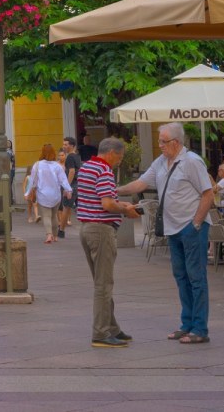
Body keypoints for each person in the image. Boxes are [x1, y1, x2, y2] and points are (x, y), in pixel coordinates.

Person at [118, 123, 215, 345]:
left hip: (191, 228)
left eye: (163, 141)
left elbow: (208, 195)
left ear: (176, 142)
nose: (159, 145)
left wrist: (196, 224)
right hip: (173, 229)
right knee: (181, 277)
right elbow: (141, 183)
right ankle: (187, 324)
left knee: (196, 278)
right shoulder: (161, 161)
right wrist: (113, 189)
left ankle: (200, 328)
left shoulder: (191, 161)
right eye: (159, 141)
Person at [77, 137, 140, 348]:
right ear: (111, 152)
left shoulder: (86, 167)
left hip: (87, 227)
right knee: (104, 284)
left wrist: (117, 203)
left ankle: (112, 327)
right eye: (119, 157)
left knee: (101, 281)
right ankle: (101, 333)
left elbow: (98, 199)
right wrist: (126, 209)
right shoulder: (104, 171)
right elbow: (106, 204)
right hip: (101, 230)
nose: (119, 162)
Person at [26, 144, 71, 243]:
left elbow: (32, 180)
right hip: (56, 195)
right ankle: (55, 236)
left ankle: (49, 235)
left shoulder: (37, 165)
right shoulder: (57, 166)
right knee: (54, 215)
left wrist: (28, 192)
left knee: (46, 216)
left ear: (42, 152)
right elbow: (63, 180)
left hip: (43, 194)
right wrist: (68, 190)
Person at [57, 136, 82, 239]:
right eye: (63, 144)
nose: (64, 146)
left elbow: (72, 171)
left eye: (66, 144)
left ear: (72, 146)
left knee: (66, 208)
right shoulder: (77, 156)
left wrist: (67, 187)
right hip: (78, 184)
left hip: (72, 185)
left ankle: (61, 230)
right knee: (79, 208)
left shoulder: (70, 157)